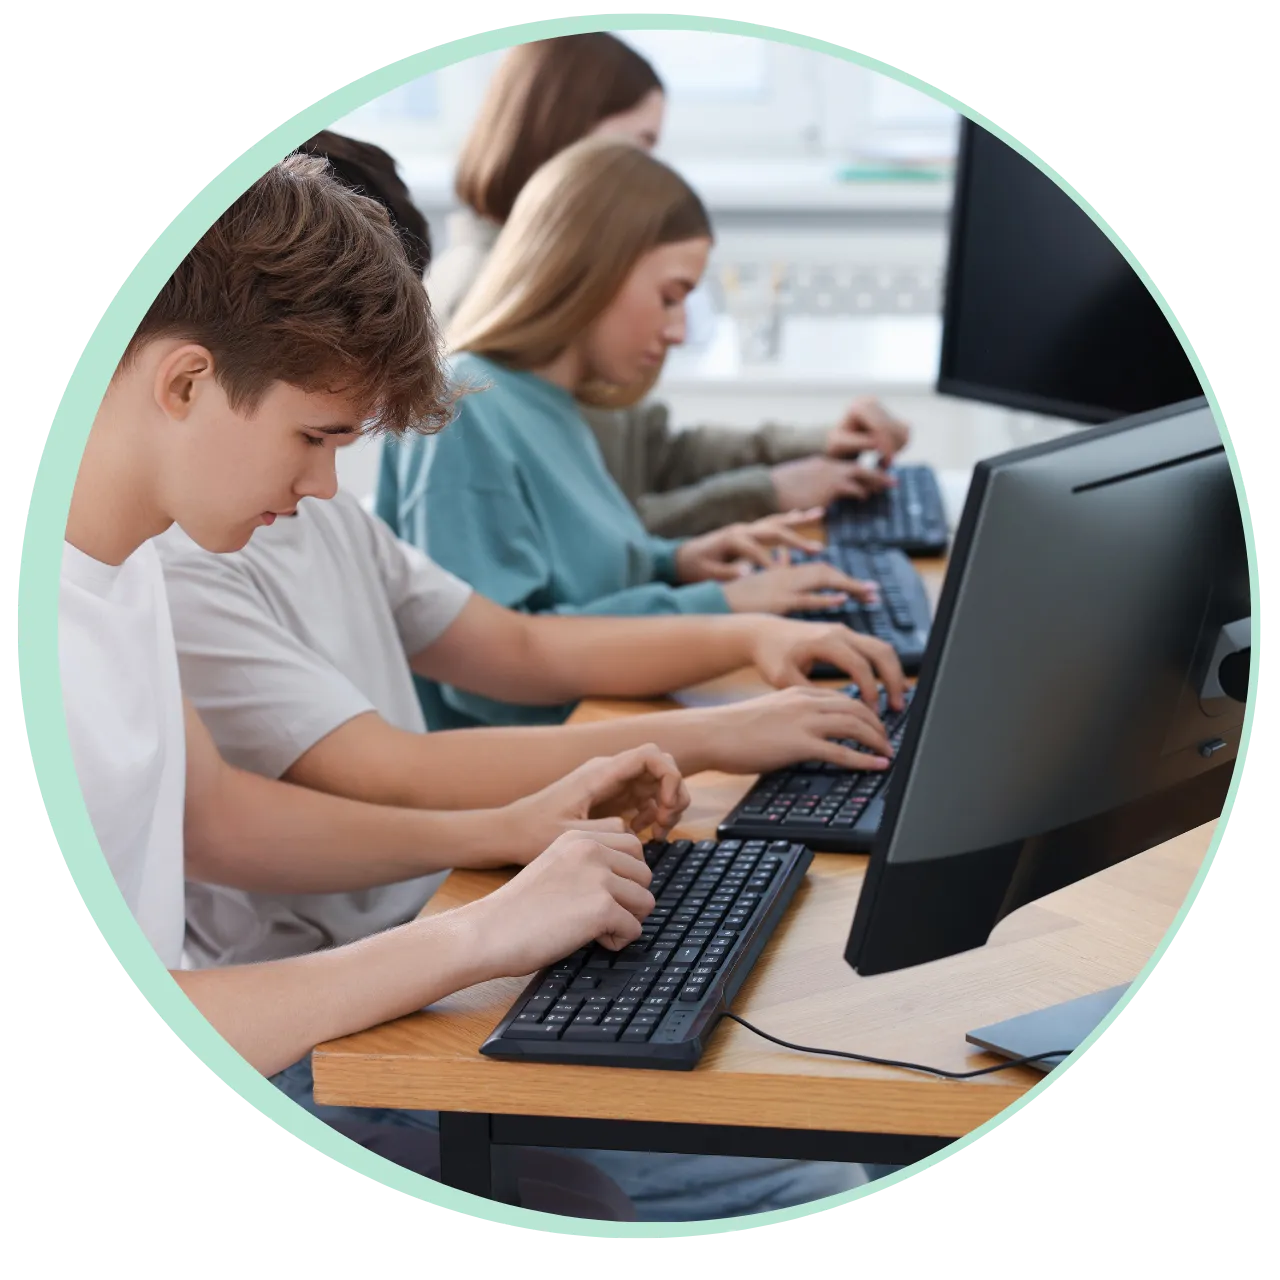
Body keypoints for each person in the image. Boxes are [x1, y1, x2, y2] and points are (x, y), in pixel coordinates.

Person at [154, 145, 903, 1221]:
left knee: (807, 1046)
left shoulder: (315, 512)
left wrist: (731, 666)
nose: (330, 478)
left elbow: (517, 646)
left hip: (430, 933)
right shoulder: (170, 566)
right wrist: (687, 743)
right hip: (348, 1008)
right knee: (813, 1161)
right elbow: (376, 774)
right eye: (320, 432)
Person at [57, 151, 706, 1219]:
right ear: (184, 382)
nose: (322, 487)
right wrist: (478, 932)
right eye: (311, 439)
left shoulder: (124, 571)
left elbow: (216, 819)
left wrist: (503, 829)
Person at [376, 137, 896, 732]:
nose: (677, 330)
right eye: (670, 297)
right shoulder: (468, 407)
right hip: (526, 772)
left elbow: (574, 573)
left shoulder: (554, 402)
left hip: (598, 727)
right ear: (590, 266)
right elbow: (492, 681)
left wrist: (673, 563)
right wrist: (718, 609)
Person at [424, 31, 911, 537]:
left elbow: (648, 455)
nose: (646, 172)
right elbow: (582, 535)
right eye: (638, 145)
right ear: (562, 137)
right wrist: (765, 492)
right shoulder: (490, 301)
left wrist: (814, 443)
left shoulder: (569, 281)